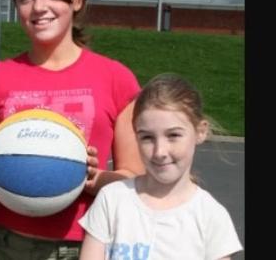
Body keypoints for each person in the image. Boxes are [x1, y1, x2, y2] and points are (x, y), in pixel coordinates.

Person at [0, 0, 145, 260]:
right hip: (0, 243)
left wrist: (94, 177)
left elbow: (135, 180)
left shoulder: (116, 78)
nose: (39, 7)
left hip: (83, 245)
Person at [78, 73, 243, 260]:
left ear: (200, 131)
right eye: (147, 137)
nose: (159, 152)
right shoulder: (112, 200)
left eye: (173, 135)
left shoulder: (211, 216)